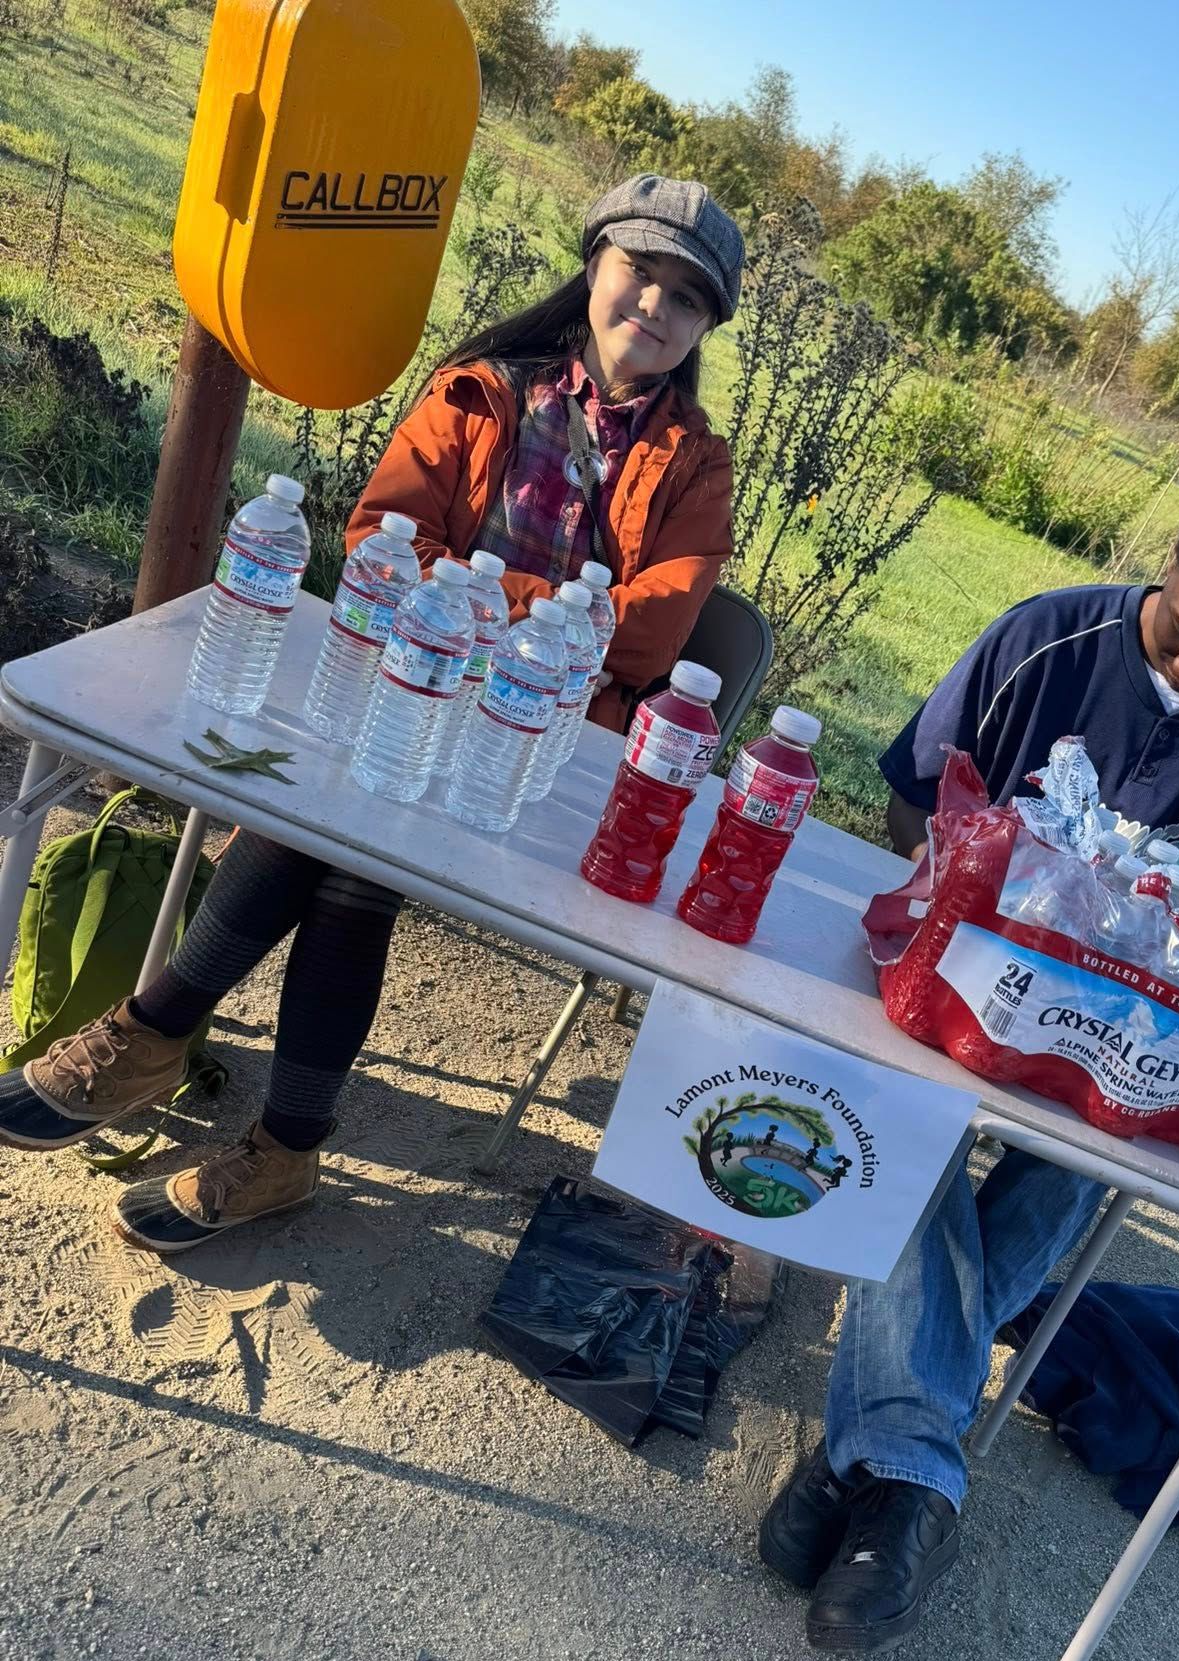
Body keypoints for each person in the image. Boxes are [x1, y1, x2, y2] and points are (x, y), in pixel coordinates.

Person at [0, 175, 744, 1254]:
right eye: (642, 272)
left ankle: (161, 1038)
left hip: (539, 750)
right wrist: (552, 618)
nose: (656, 307)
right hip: (405, 684)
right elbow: (387, 540)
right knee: (337, 844)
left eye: (688, 296)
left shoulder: (699, 464)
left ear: (703, 327)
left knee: (344, 847)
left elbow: (649, 636)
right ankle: (270, 1135)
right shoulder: (483, 388)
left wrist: (479, 600)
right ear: (596, 267)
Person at [757, 471, 1179, 1654]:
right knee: (917, 1120)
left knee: (1081, 1157)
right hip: (955, 973)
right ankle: (914, 1473)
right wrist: (999, 899)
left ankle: (874, 1455)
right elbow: (913, 801)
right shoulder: (1045, 635)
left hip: (1116, 1028)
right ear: (1167, 563)